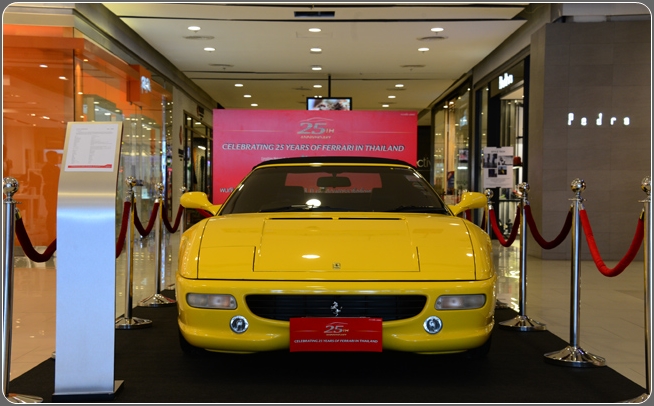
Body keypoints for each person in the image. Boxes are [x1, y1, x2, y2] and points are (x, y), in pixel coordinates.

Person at [41, 151, 61, 242]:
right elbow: (51, 180)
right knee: (51, 213)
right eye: (55, 157)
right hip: (50, 193)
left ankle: (54, 233)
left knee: (54, 213)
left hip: (55, 192)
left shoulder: (56, 168)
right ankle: (50, 234)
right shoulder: (46, 168)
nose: (57, 159)